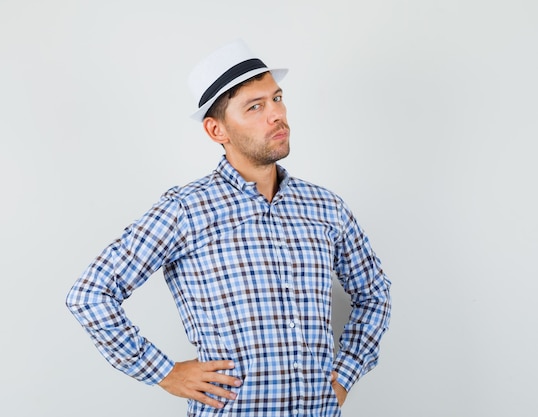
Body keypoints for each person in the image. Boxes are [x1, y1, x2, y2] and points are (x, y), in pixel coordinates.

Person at [66, 39, 391, 417]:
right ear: (216, 130)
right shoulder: (185, 210)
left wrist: (342, 378)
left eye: (277, 98)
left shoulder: (326, 208)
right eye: (255, 107)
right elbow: (90, 294)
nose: (276, 115)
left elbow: (374, 293)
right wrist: (165, 373)